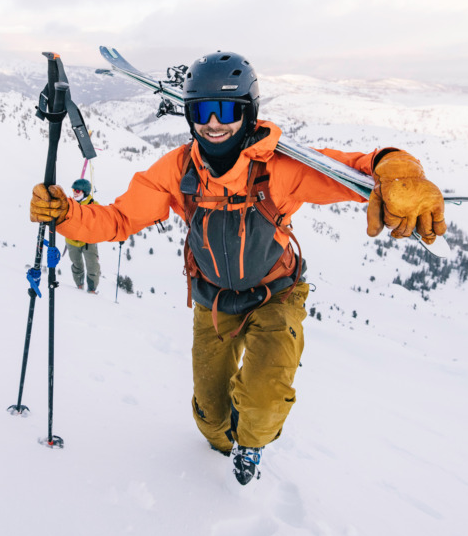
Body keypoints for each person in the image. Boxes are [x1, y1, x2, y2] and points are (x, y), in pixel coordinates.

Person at [29, 51, 446, 485]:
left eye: (227, 110)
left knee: (263, 401)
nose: (213, 123)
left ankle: (252, 443)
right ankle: (228, 440)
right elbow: (118, 220)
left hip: (275, 294)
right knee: (210, 419)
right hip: (214, 302)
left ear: (248, 112)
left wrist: (396, 169)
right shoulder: (177, 171)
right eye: (202, 110)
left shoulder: (280, 169)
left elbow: (353, 169)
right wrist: (66, 215)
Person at [65, 179, 102, 293]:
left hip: (88, 241)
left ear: (85, 192)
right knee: (77, 265)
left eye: (77, 190)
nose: (74, 192)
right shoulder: (69, 203)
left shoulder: (93, 205)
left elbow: (101, 219)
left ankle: (92, 289)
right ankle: (79, 286)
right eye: (73, 190)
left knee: (93, 267)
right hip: (72, 241)